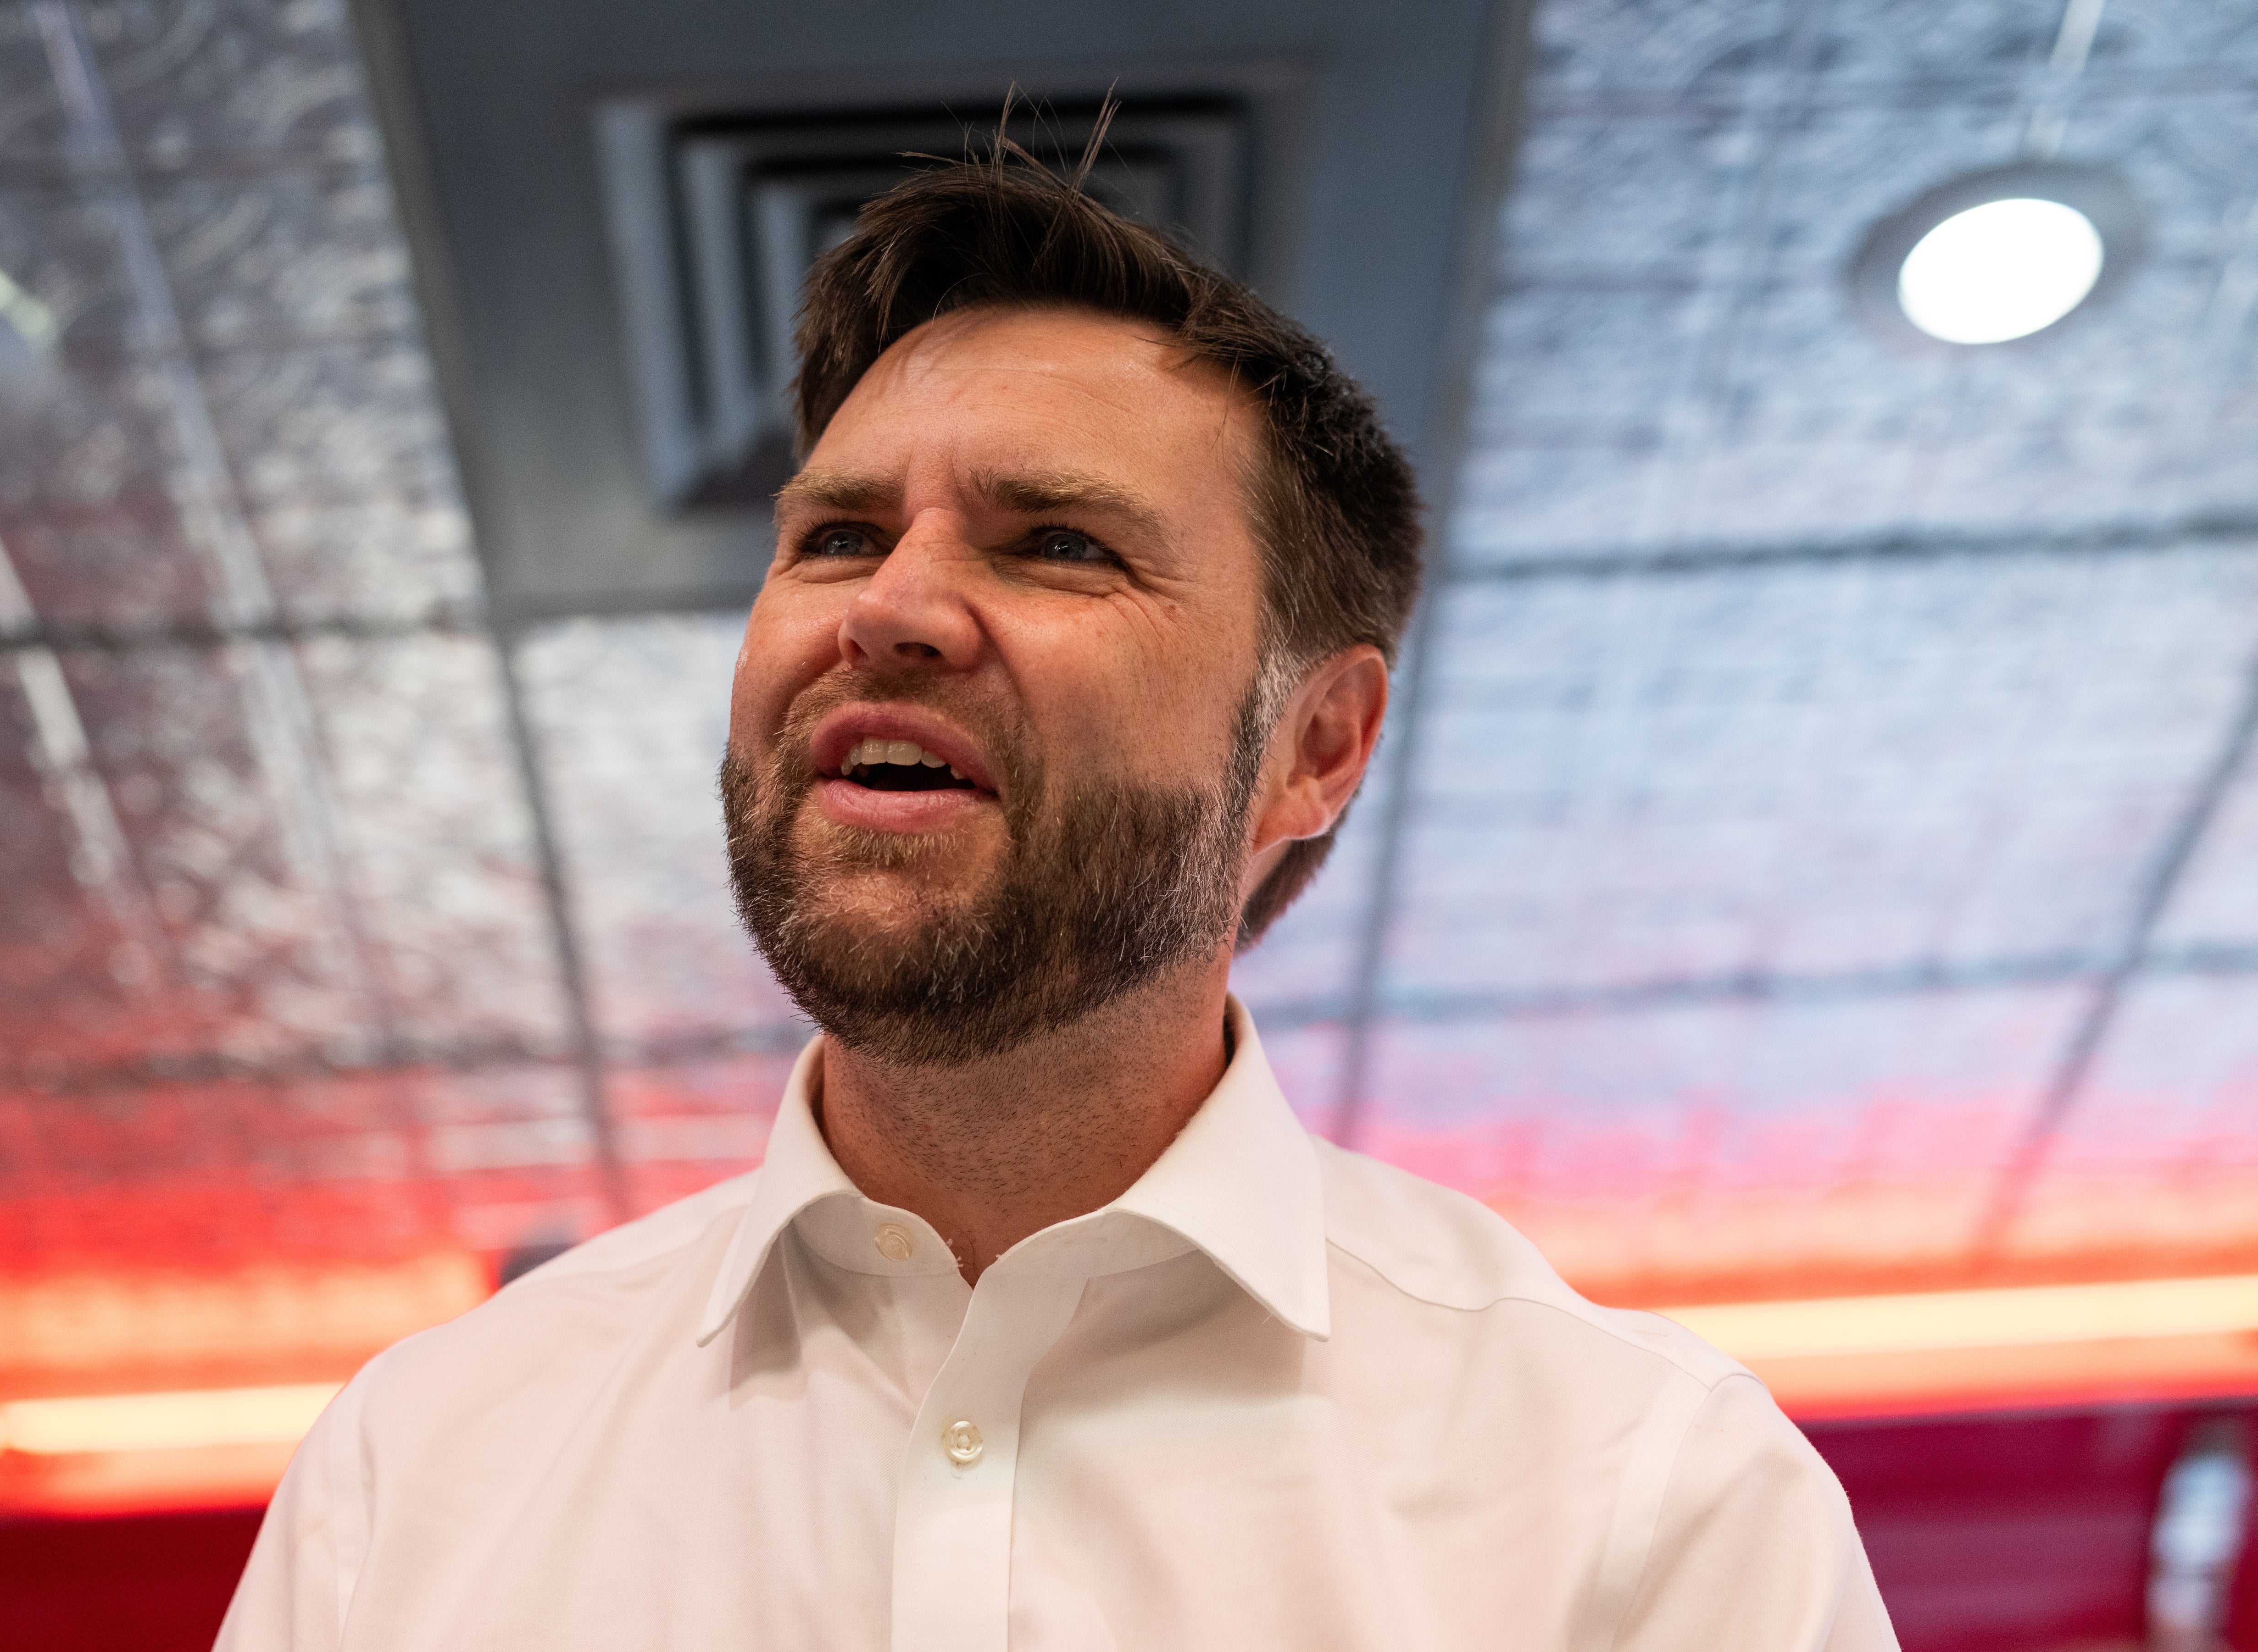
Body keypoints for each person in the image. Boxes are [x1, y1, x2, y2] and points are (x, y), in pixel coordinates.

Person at [216, 141, 1896, 1652]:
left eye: (1059, 545)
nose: (894, 607)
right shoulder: (420, 1470)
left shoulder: (1645, 1496)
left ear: (1314, 745)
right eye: (835, 534)